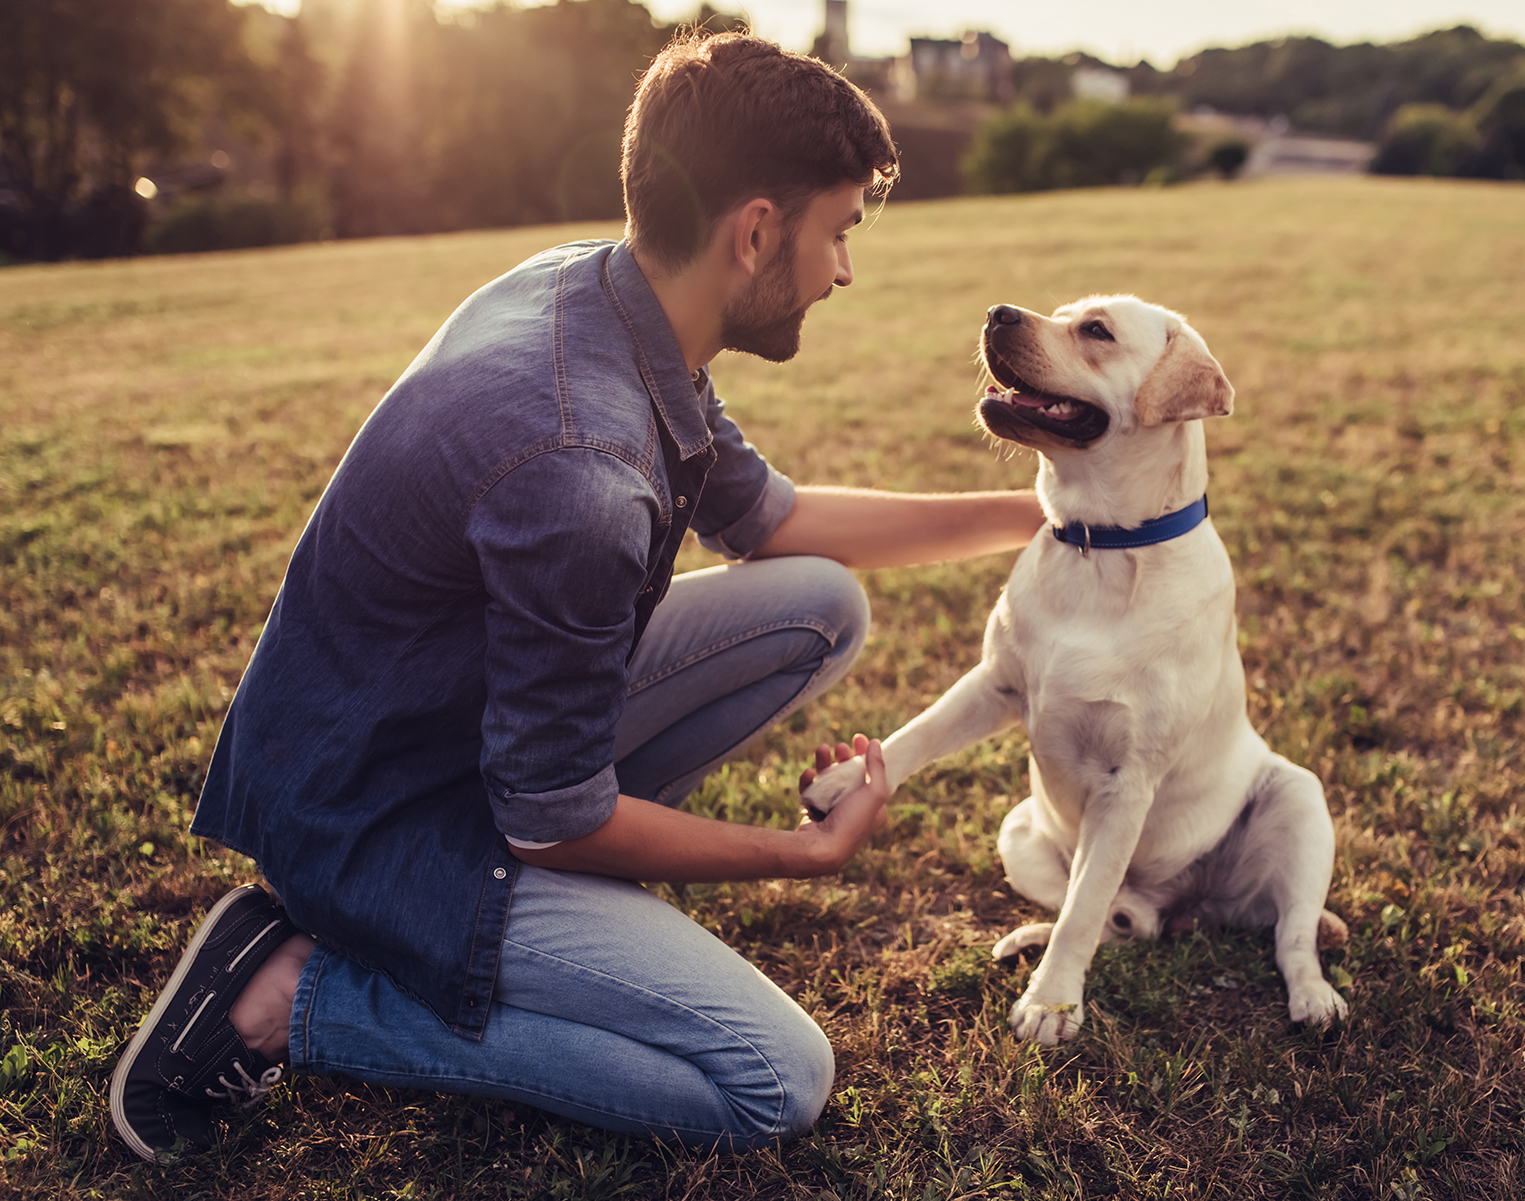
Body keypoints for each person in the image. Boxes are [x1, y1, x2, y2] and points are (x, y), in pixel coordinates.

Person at [109, 32, 1044, 1159]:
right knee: (774, 1081)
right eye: (838, 232)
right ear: (756, 231)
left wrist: (1041, 514)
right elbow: (551, 819)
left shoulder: (604, 289)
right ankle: (289, 991)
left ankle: (567, 928)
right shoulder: (581, 468)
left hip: (433, 736)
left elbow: (774, 521)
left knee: (820, 602)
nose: (844, 269)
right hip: (385, 822)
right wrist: (797, 853)